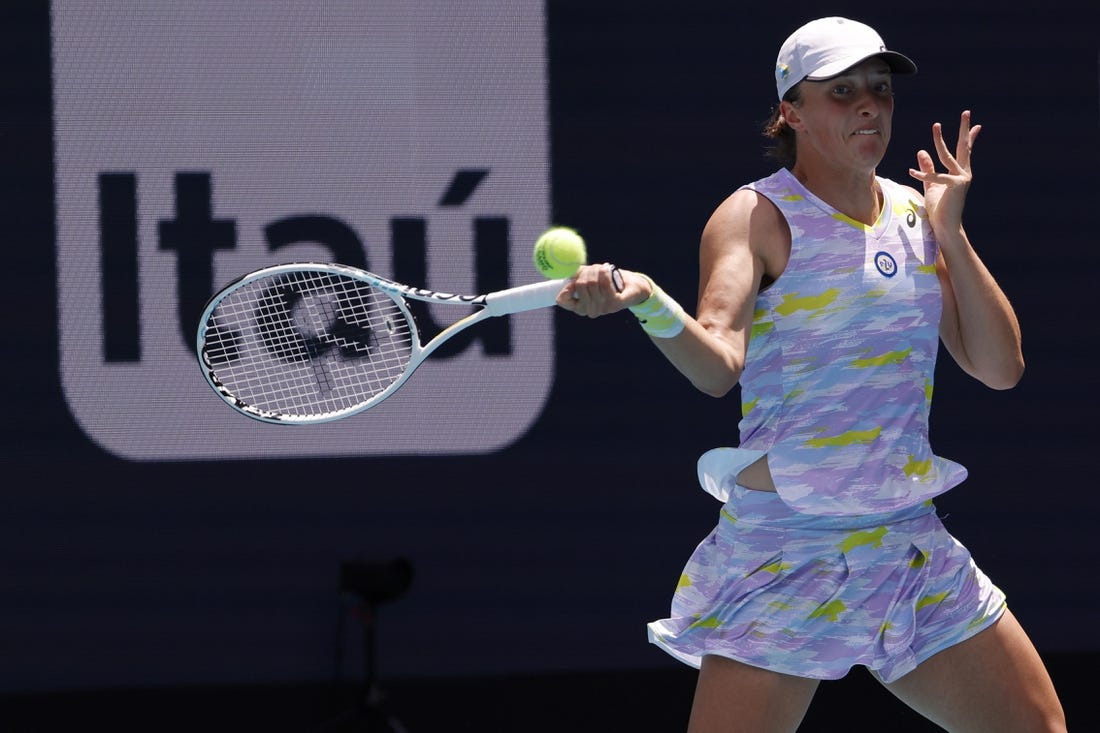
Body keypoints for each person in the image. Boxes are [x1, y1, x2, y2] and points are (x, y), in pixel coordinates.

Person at [556, 16, 1067, 733]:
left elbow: (1000, 368)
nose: (870, 106)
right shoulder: (754, 216)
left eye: (880, 90)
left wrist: (952, 233)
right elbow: (717, 365)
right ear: (791, 111)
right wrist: (648, 302)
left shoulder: (920, 213)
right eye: (842, 91)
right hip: (786, 549)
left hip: (904, 543)